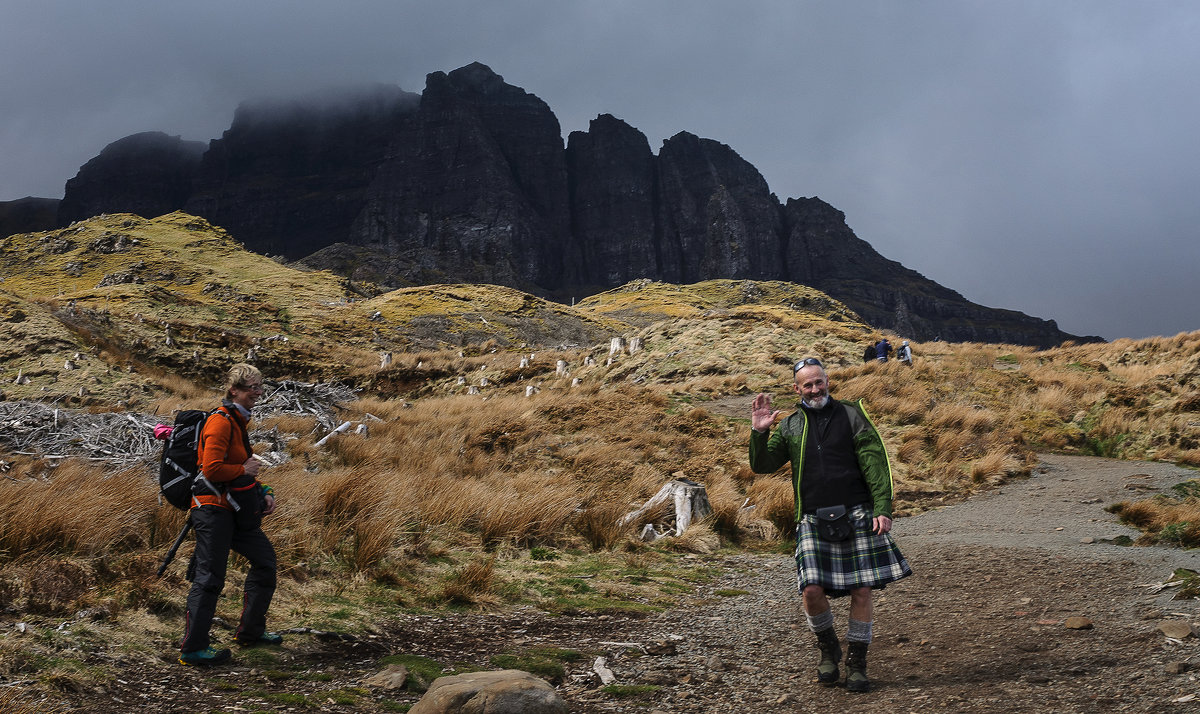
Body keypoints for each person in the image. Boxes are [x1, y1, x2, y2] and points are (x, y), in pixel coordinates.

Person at [748, 357, 911, 692]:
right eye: (807, 384)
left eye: (819, 382)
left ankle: (857, 662)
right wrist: (759, 432)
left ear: (827, 381)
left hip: (857, 512)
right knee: (810, 589)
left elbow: (875, 464)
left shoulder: (852, 415)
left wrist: (883, 508)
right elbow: (762, 464)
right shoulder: (791, 425)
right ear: (797, 389)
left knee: (861, 589)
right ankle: (828, 648)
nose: (815, 389)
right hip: (812, 517)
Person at [179, 363, 280, 665]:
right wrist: (245, 470)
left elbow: (240, 473)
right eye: (252, 387)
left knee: (265, 562)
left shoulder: (238, 423)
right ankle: (192, 649)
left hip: (235, 509)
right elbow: (211, 469)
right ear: (233, 390)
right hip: (212, 509)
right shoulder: (221, 422)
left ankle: (250, 632)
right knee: (210, 578)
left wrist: (264, 490)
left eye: (260, 387)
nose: (258, 392)